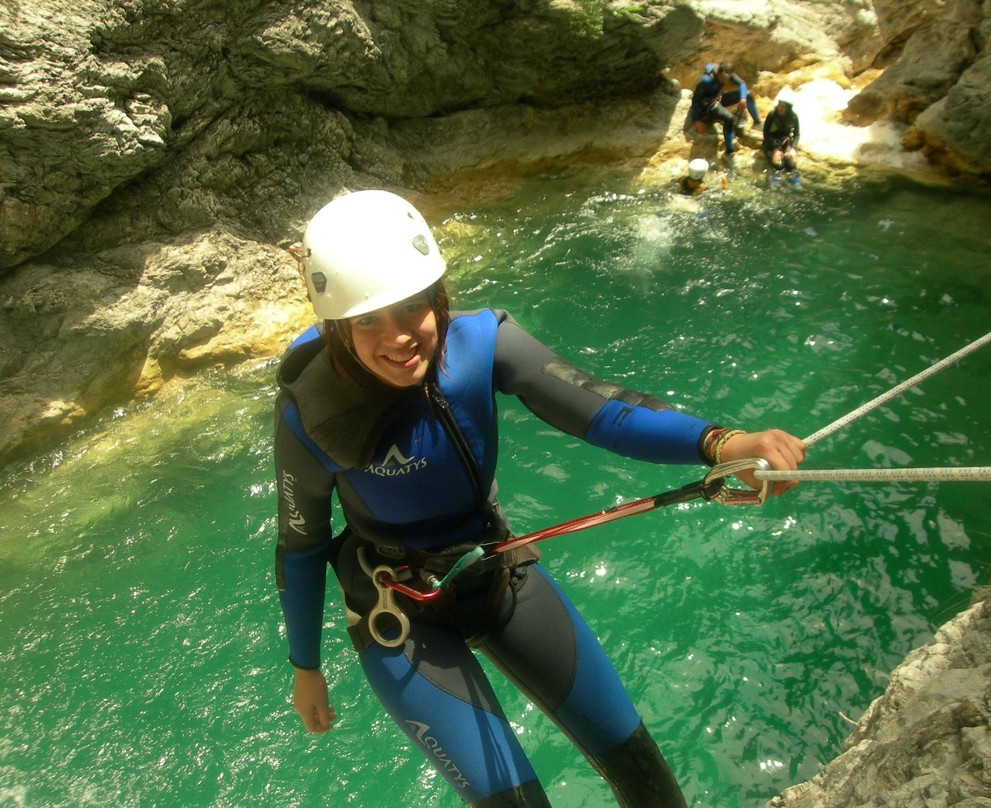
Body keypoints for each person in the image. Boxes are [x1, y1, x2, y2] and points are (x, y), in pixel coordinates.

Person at [274, 190, 807, 807]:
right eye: (367, 320)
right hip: (399, 617)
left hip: (498, 572)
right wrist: (305, 668)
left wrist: (722, 442)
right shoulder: (308, 416)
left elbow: (601, 410)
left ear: (437, 297)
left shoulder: (480, 346)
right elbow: (301, 546)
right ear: (337, 326)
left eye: (412, 307)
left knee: (645, 776)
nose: (397, 338)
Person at [690, 62, 762, 157]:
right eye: (723, 78)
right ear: (719, 72)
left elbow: (741, 83)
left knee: (748, 95)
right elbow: (695, 100)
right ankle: (729, 153)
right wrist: (697, 120)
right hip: (706, 105)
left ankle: (757, 123)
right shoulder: (706, 80)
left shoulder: (726, 73)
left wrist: (743, 99)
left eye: (727, 78)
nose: (725, 80)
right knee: (729, 118)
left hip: (717, 97)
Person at [763, 90, 801, 184]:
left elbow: (796, 134)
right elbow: (766, 134)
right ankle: (774, 181)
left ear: (788, 108)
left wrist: (793, 148)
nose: (781, 109)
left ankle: (794, 184)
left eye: (784, 107)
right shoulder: (772, 115)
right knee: (778, 165)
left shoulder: (793, 116)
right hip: (772, 142)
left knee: (790, 165)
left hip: (786, 142)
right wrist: (775, 150)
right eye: (780, 105)